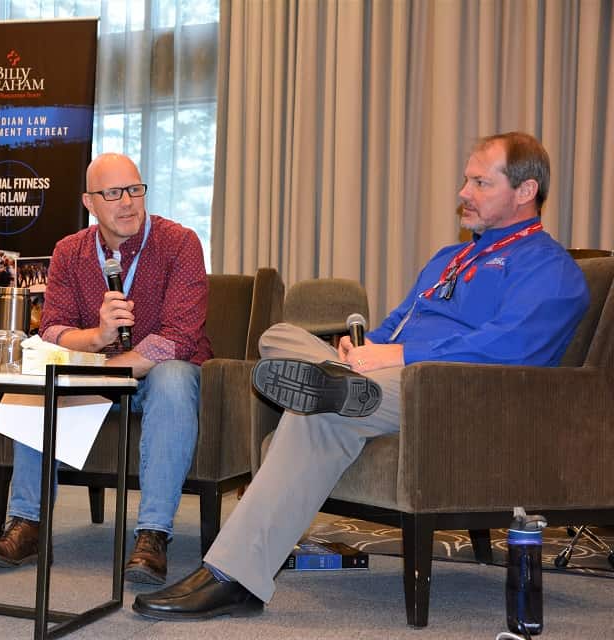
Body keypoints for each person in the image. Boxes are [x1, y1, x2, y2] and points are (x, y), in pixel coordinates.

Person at [132, 131, 590, 619]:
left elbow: (508, 346)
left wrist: (401, 356)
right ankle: (337, 379)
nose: (463, 193)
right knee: (280, 338)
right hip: (389, 382)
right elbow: (397, 323)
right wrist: (366, 347)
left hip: (450, 393)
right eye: (465, 180)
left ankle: (232, 574)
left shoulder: (551, 270)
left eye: (480, 182)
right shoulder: (448, 259)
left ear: (525, 191)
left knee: (322, 409)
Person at [0, 152, 212, 585]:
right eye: (113, 193)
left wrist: (110, 366)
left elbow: (178, 337)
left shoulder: (180, 243)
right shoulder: (70, 251)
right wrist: (98, 337)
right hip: (100, 371)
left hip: (157, 377)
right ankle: (27, 526)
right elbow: (54, 332)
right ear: (89, 202)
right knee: (43, 377)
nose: (128, 203)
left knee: (173, 374)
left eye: (135, 190)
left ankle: (153, 535)